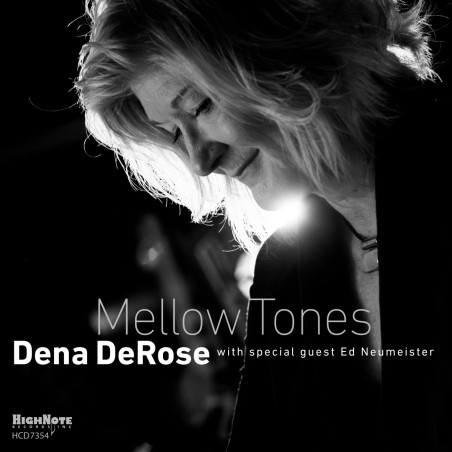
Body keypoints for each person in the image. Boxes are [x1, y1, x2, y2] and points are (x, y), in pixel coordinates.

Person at [76, 0, 451, 450]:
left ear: (286, 44)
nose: (199, 161)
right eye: (173, 133)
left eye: (199, 107)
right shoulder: (282, 272)